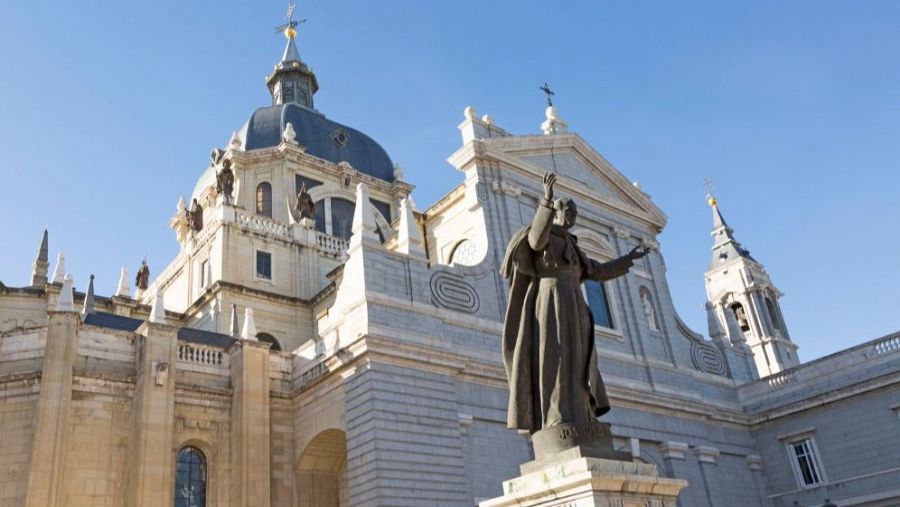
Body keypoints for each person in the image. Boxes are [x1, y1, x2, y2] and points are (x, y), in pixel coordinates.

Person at [501, 172, 649, 433]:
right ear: (556, 212)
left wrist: (628, 259)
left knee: (577, 360)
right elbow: (536, 240)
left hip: (575, 306)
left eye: (574, 213)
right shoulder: (544, 235)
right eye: (568, 210)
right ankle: (555, 415)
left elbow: (597, 271)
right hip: (551, 302)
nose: (572, 216)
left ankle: (582, 414)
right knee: (554, 358)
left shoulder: (573, 244)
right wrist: (546, 201)